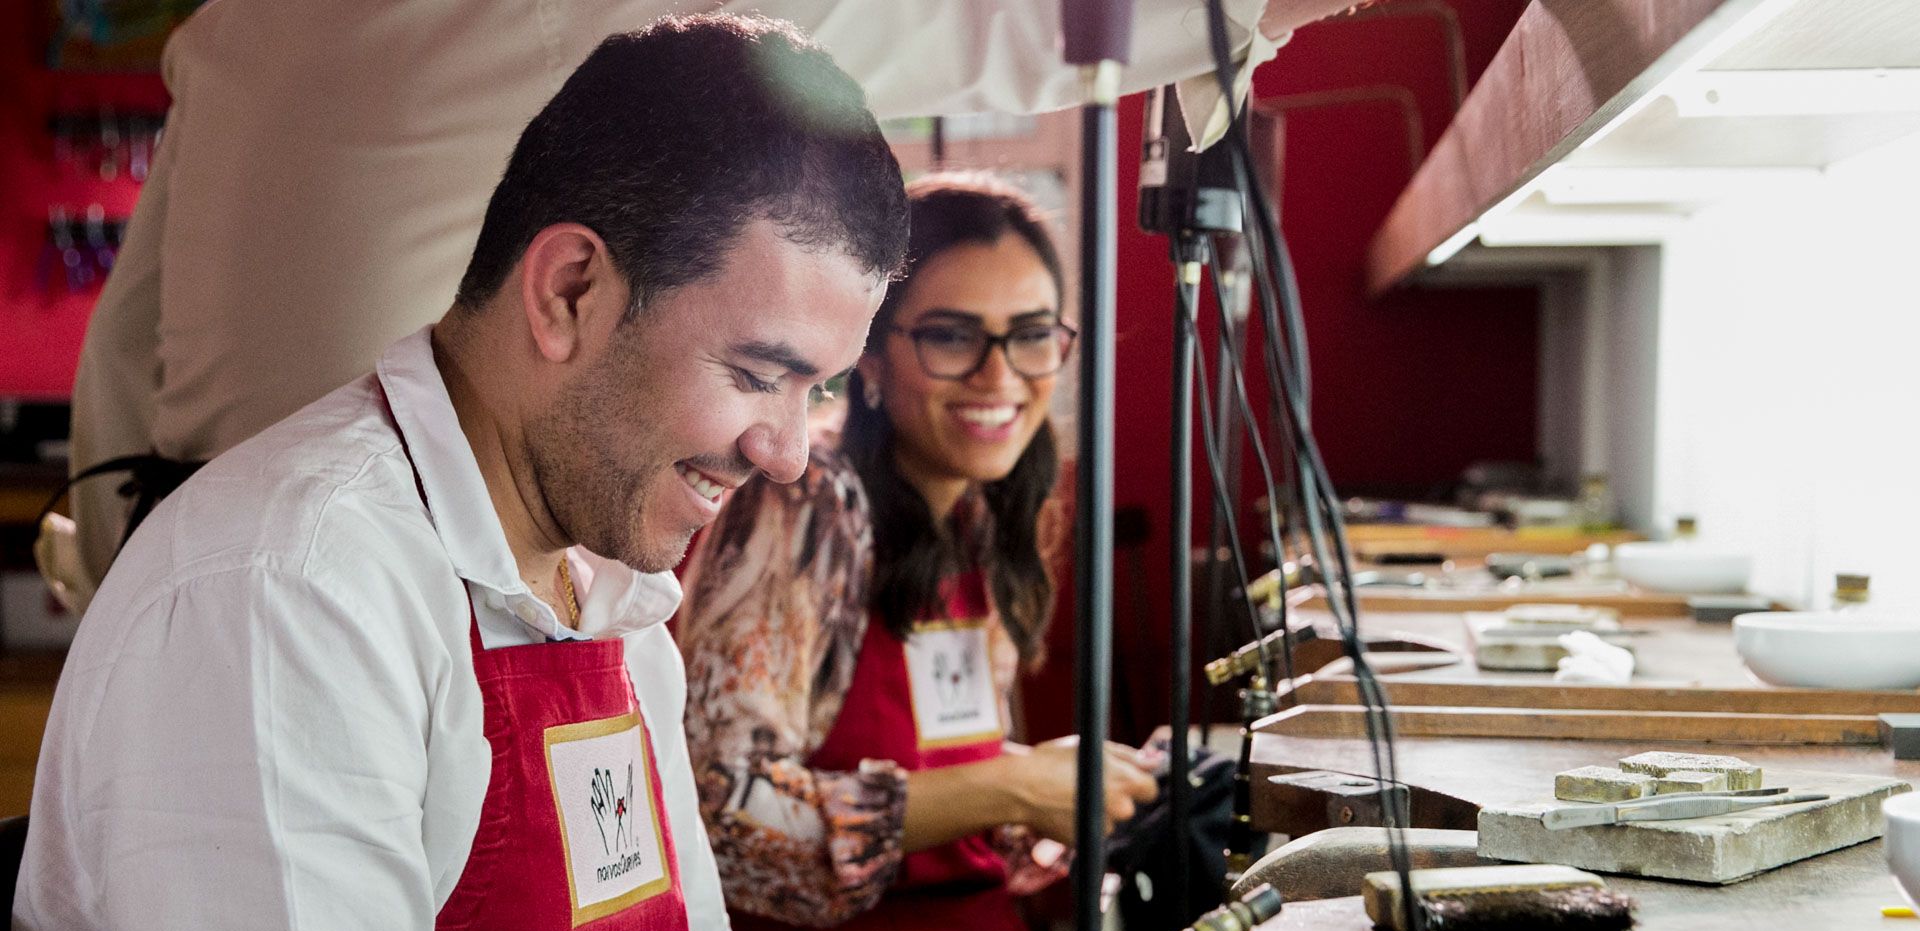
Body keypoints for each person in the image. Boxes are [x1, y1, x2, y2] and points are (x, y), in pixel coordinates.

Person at [12, 19, 1214, 931]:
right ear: (570, 288)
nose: (793, 450)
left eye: (821, 390)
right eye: (760, 372)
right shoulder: (295, 587)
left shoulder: (606, 581)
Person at [40, 0, 1336, 608]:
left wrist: (122, 587)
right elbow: (1019, 22)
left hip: (210, 583)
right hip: (377, 626)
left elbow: (125, 365)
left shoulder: (245, 25)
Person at [679, 173, 1157, 931]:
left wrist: (1043, 793)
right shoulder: (807, 504)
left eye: (1031, 334)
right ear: (868, 355)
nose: (999, 376)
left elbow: (929, 761)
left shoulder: (981, 516)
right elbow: (722, 816)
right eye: (951, 336)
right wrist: (1005, 785)